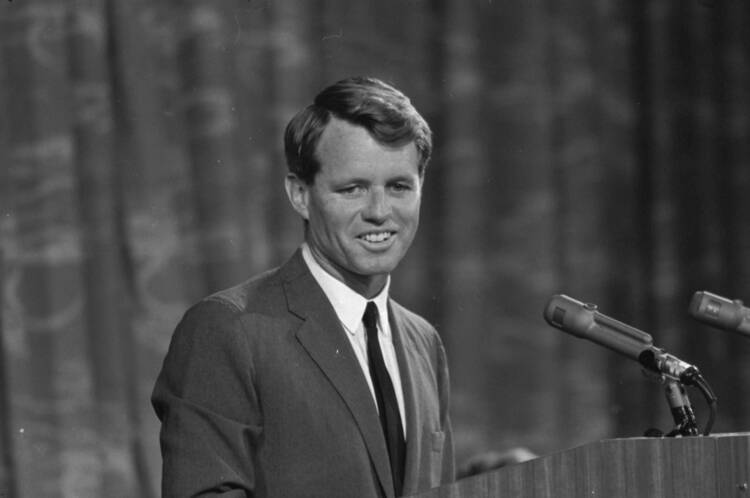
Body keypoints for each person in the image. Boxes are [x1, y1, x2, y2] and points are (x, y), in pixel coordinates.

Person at [151, 76, 455, 498]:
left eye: (399, 186)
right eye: (353, 189)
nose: (380, 212)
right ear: (299, 194)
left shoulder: (425, 344)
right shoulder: (228, 330)